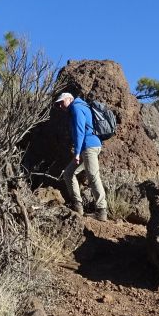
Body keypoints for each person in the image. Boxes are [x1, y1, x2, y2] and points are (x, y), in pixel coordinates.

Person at [55, 92, 107, 221]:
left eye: (62, 102)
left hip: (89, 146)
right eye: (58, 104)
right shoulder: (80, 107)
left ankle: (101, 210)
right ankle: (78, 205)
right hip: (87, 147)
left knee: (93, 176)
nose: (60, 106)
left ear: (70, 99)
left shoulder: (76, 107)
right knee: (68, 173)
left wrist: (77, 152)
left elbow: (80, 130)